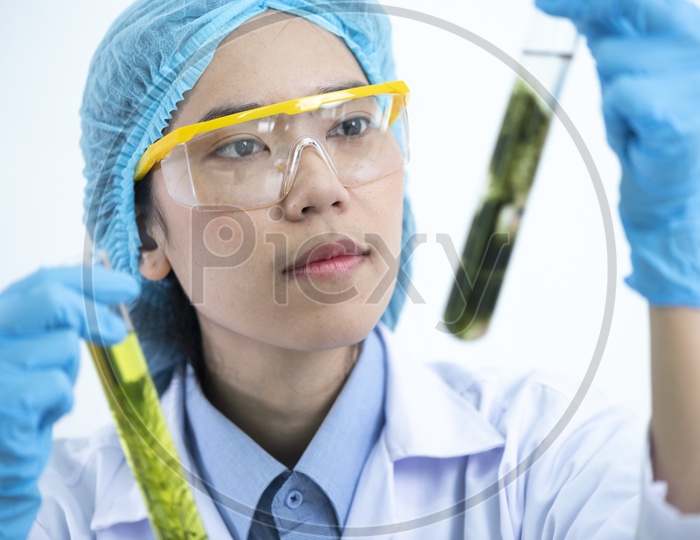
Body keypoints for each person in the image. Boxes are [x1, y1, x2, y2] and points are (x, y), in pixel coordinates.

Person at [1, 0, 700, 538]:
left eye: (350, 126)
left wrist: (684, 277)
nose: (321, 189)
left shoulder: (545, 456)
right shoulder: (47, 508)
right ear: (144, 231)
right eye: (242, 146)